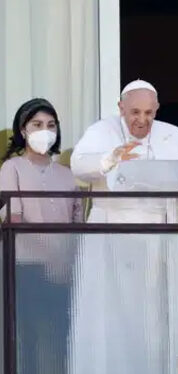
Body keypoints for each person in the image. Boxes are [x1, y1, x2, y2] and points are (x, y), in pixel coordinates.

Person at [69, 80, 178, 374]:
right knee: (113, 317)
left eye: (149, 113)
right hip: (114, 238)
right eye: (135, 112)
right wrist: (110, 158)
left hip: (162, 239)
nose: (142, 120)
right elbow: (79, 165)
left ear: (157, 110)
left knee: (159, 318)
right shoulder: (102, 131)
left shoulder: (173, 136)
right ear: (121, 108)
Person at [0, 98, 82, 374]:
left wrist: (68, 261)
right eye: (37, 125)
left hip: (64, 270)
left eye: (50, 125)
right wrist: (51, 255)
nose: (44, 130)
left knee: (63, 336)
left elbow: (77, 223)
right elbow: (15, 218)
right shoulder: (12, 168)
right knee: (29, 337)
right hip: (28, 266)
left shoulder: (68, 174)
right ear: (23, 130)